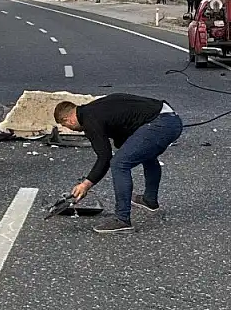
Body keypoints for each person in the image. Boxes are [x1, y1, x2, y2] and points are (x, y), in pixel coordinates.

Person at [54, 95, 183, 235]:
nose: (69, 129)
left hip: (160, 124)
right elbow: (122, 131)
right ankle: (149, 200)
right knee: (147, 155)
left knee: (119, 164)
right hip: (170, 118)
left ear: (68, 119)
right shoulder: (94, 109)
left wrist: (86, 184)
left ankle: (122, 219)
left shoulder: (89, 120)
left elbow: (105, 158)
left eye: (65, 125)